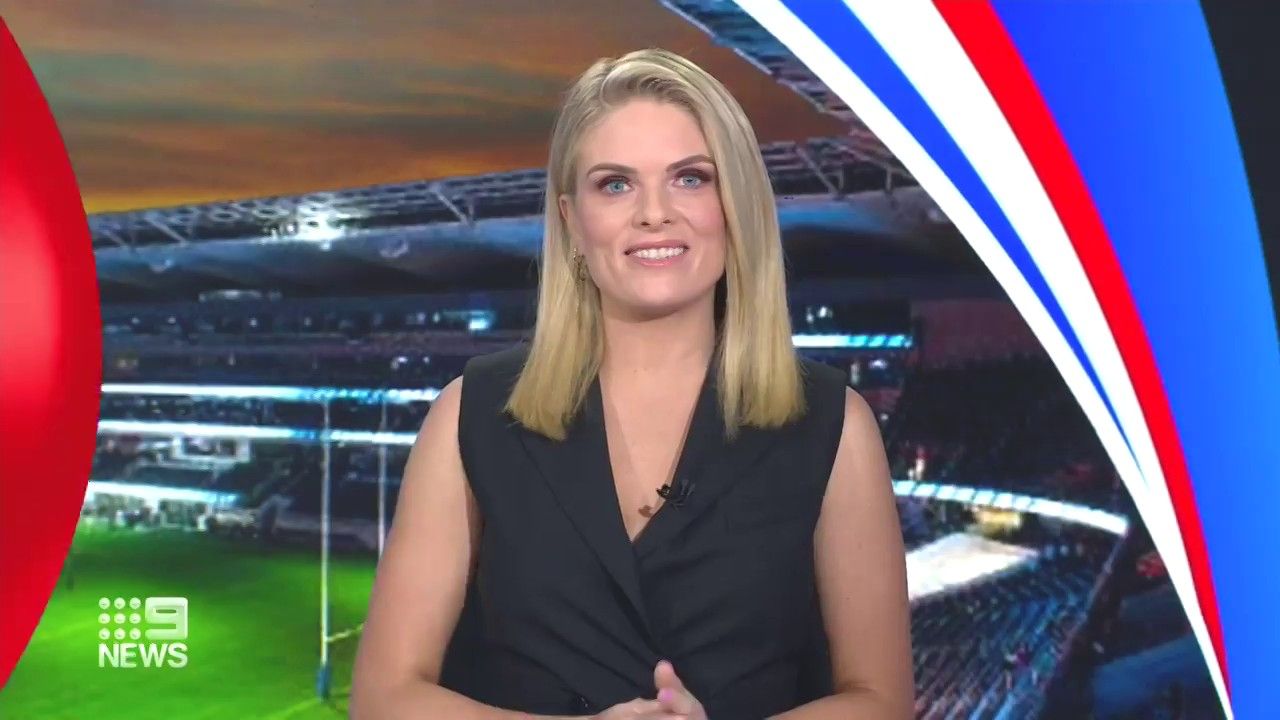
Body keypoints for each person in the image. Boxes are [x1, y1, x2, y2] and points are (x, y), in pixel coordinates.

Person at [350, 48, 913, 720]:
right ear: (571, 219)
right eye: (615, 184)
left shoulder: (835, 427)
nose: (654, 213)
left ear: (737, 205)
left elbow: (880, 701)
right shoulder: (470, 416)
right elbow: (384, 698)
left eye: (691, 178)